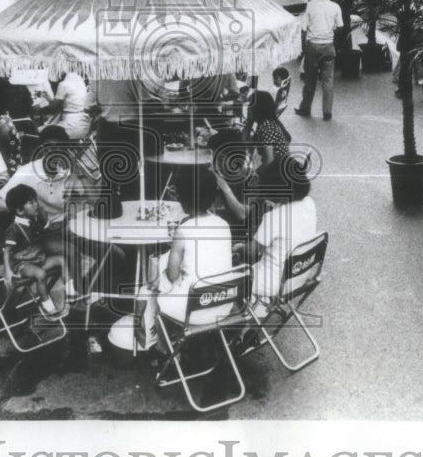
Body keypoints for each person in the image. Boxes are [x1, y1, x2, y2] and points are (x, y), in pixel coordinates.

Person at [133, 170, 234, 347]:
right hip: (223, 303)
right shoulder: (223, 224)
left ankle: (166, 350)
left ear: (183, 201)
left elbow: (172, 275)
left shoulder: (184, 230)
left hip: (194, 310)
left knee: (156, 293)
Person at [0, 125, 83, 299]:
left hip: (67, 227)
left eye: (60, 151)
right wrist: (26, 208)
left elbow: (85, 197)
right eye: (48, 150)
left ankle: (83, 292)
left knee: (110, 250)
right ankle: (78, 300)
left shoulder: (67, 172)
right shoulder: (27, 173)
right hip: (42, 234)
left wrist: (80, 175)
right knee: (71, 250)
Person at [245, 155, 318, 312]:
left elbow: (251, 252)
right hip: (299, 273)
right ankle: (259, 306)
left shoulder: (273, 217)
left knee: (232, 277)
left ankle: (242, 318)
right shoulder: (309, 203)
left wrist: (238, 247)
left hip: (272, 281)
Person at [0, 184, 66, 319]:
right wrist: (8, 271)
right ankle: (47, 305)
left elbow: (47, 233)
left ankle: (71, 293)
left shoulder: (35, 220)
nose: (36, 204)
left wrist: (45, 219)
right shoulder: (14, 228)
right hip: (23, 265)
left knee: (62, 260)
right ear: (20, 211)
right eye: (31, 202)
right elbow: (7, 250)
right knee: (40, 274)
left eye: (35, 200)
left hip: (39, 259)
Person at [295, 0, 343, 121]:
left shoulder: (310, 6)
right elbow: (340, 27)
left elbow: (304, 29)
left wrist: (304, 48)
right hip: (328, 45)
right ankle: (327, 112)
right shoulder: (335, 7)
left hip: (313, 46)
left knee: (310, 79)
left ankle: (305, 108)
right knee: (328, 81)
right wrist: (331, 32)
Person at [247, 91, 292, 168]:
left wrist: (258, 173)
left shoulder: (266, 128)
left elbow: (269, 161)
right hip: (280, 169)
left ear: (257, 109)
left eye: (250, 106)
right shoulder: (267, 122)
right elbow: (246, 141)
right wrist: (250, 121)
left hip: (277, 172)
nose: (248, 109)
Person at [42, 72, 91, 140]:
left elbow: (54, 106)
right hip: (83, 121)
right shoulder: (80, 81)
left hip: (71, 122)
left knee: (44, 132)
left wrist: (47, 97)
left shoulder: (64, 84)